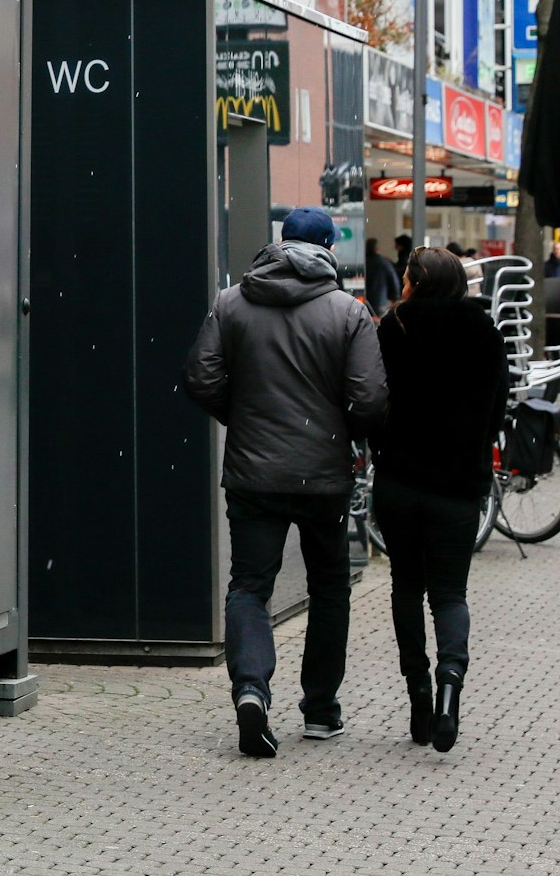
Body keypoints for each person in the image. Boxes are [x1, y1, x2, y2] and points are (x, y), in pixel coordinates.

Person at [184, 206, 387, 758]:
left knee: (250, 585)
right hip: (323, 475)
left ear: (281, 244)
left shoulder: (232, 302)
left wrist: (242, 416)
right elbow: (370, 399)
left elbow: (198, 376)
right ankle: (320, 710)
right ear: (326, 248)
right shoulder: (349, 312)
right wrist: (340, 432)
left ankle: (251, 689)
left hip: (254, 472)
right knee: (329, 588)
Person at [372, 247, 509, 753]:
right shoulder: (485, 333)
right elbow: (497, 411)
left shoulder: (394, 328)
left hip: (400, 482)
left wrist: (381, 444)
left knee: (406, 589)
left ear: (415, 283)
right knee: (450, 595)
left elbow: (372, 396)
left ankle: (419, 698)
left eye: (406, 278)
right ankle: (451, 685)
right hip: (458, 486)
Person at [365, 237, 401, 317]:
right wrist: (395, 298)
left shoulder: (363, 263)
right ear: (377, 248)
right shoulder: (384, 262)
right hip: (380, 301)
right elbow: (394, 281)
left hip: (364, 301)